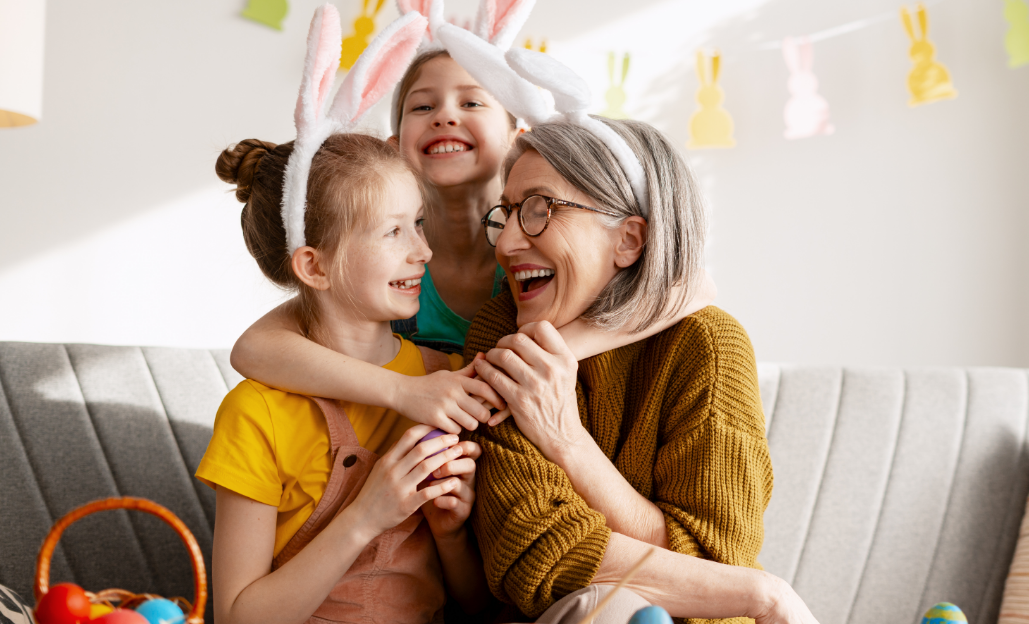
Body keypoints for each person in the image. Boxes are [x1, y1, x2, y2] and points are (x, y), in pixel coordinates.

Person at [229, 8, 715, 434]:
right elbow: (253, 349)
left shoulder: (536, 255)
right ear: (393, 146)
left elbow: (692, 287)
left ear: (518, 136)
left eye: (472, 101)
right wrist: (405, 391)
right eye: (422, 105)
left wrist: (546, 358)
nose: (444, 116)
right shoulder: (383, 268)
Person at [464, 117, 820, 624]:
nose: (506, 244)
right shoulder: (502, 335)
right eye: (507, 214)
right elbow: (536, 554)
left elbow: (716, 562)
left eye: (540, 210)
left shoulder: (706, 346)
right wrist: (763, 595)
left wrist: (565, 440)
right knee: (608, 608)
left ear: (629, 239)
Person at [197, 10, 491, 624]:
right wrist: (368, 514)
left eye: (418, 222)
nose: (423, 251)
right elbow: (238, 616)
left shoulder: (445, 381)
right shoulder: (257, 414)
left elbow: (477, 605)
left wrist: (451, 532)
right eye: (393, 232)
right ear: (314, 265)